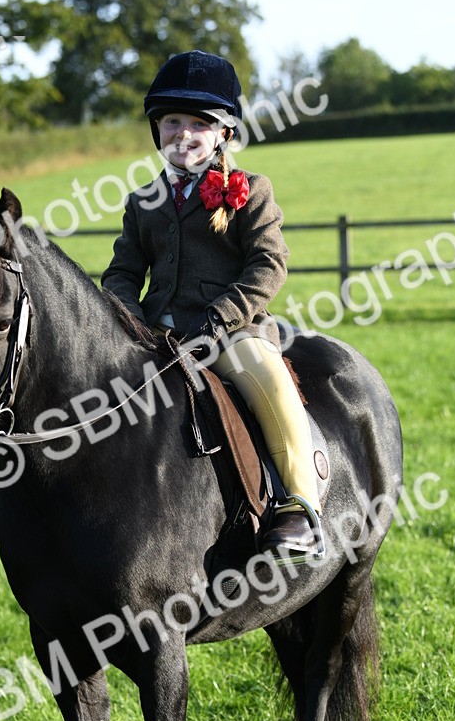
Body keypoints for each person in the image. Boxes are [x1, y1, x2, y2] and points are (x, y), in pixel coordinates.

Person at [100, 49, 324, 563]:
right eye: (171, 122)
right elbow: (123, 271)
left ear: (223, 132)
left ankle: (299, 506)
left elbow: (269, 265)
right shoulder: (142, 201)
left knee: (270, 379)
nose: (183, 134)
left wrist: (219, 319)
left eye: (198, 124)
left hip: (232, 332)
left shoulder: (252, 191)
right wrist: (124, 316)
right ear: (156, 130)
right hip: (154, 333)